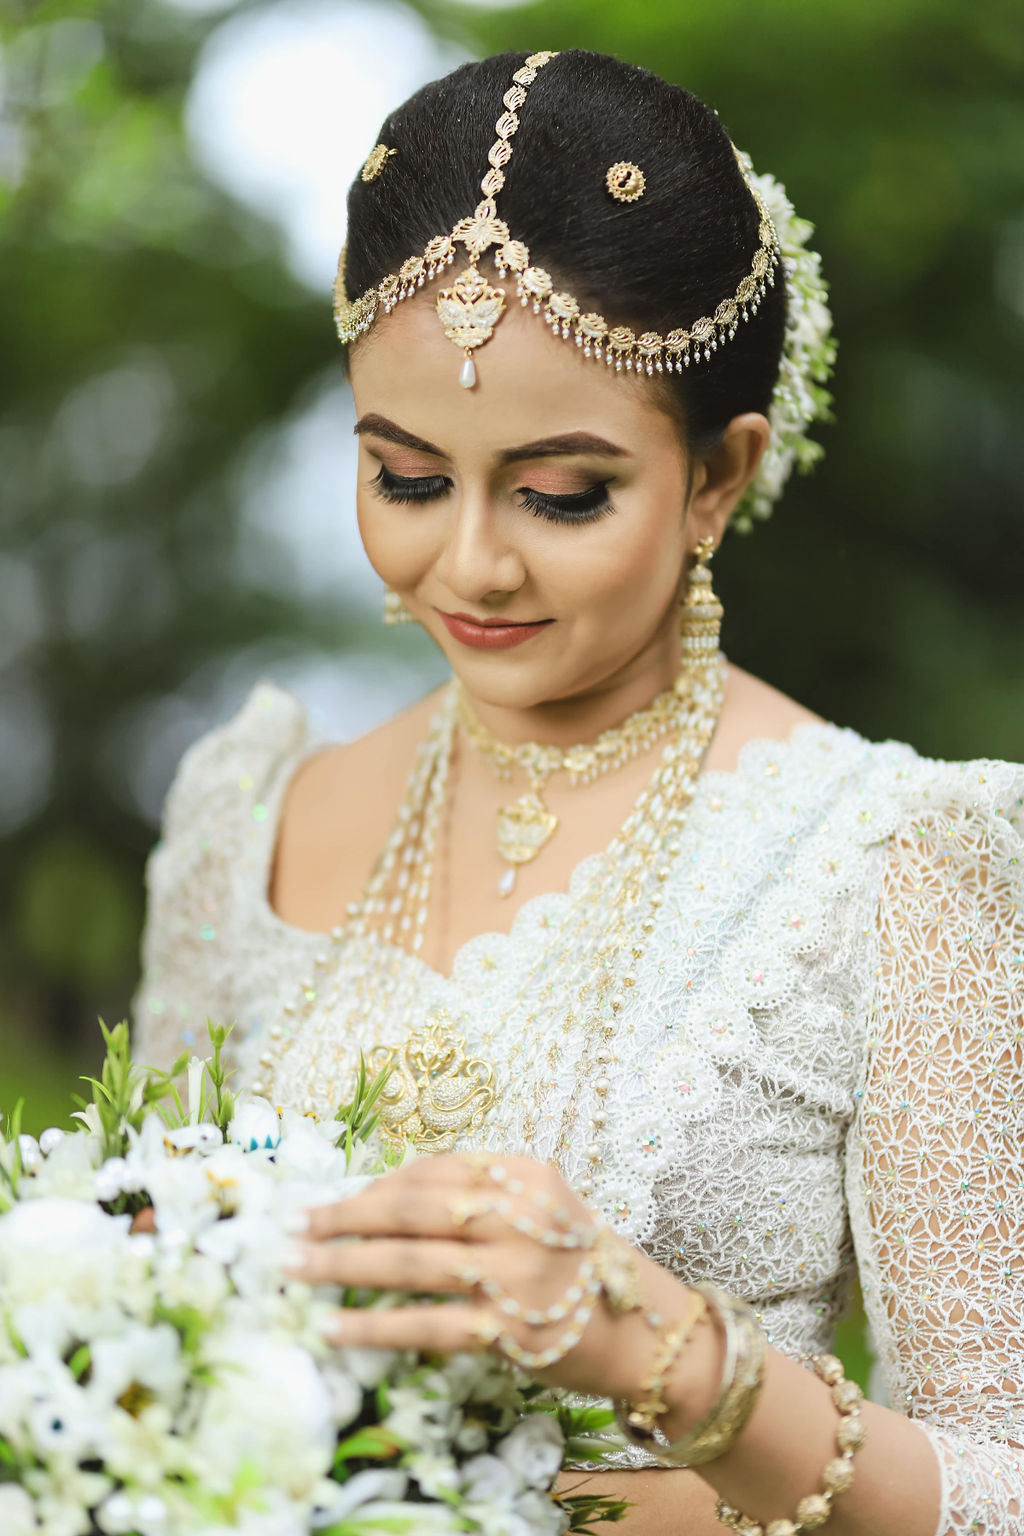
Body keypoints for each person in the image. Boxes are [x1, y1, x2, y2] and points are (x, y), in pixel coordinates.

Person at [131, 48, 1023, 1536]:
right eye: (407, 479)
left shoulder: (895, 864)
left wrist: (668, 1358)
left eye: (560, 495)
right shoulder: (250, 822)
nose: (469, 565)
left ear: (720, 480)